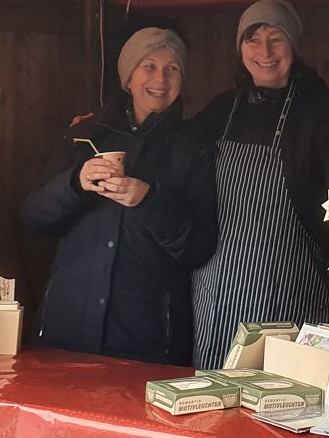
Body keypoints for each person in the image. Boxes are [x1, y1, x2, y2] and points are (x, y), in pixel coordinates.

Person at [22, 27, 216, 365]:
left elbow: (198, 246)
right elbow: (32, 217)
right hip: (68, 325)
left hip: (147, 334)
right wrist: (75, 183)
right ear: (128, 77)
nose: (160, 79)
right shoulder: (85, 135)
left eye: (172, 68)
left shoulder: (194, 146)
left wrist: (149, 200)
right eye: (149, 66)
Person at [190, 0, 329, 368]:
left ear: (293, 45)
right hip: (217, 291)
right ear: (240, 48)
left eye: (276, 39)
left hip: (291, 285)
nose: (264, 52)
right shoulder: (221, 110)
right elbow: (172, 155)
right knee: (214, 388)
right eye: (253, 40)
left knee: (284, 388)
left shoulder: (326, 116)